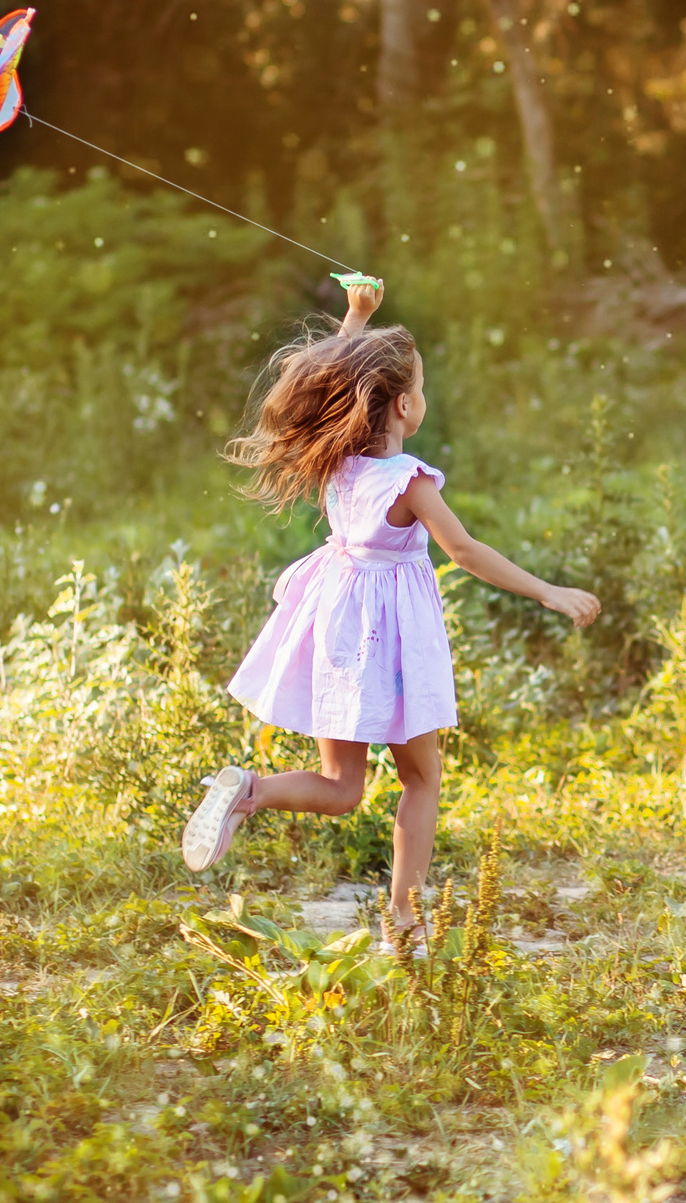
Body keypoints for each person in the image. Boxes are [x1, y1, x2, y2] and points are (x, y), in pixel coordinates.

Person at [181, 277, 601, 941]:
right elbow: (462, 551)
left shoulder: (339, 461)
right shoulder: (408, 481)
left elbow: (324, 379)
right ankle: (402, 915)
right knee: (420, 778)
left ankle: (249, 792)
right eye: (423, 389)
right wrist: (547, 591)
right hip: (393, 640)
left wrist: (355, 317)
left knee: (342, 785)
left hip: (337, 622)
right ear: (405, 405)